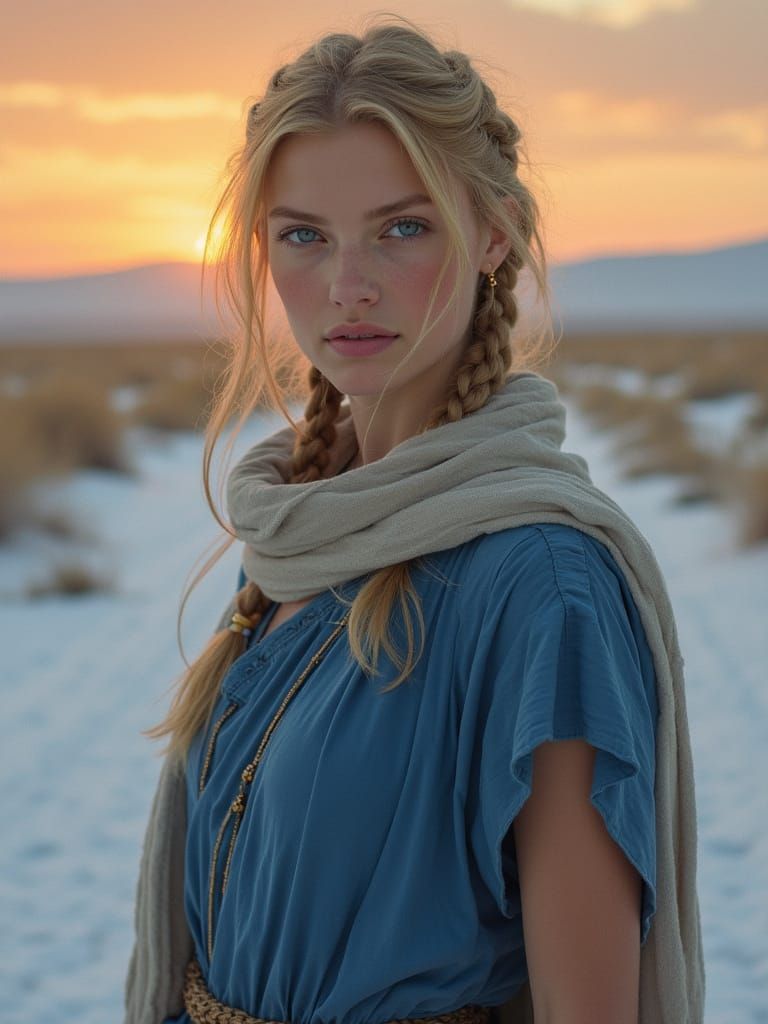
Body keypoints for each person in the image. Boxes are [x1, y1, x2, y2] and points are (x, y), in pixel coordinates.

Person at [124, 15, 705, 1024]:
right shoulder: (304, 530)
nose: (346, 285)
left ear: (493, 234)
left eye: (403, 227)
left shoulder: (540, 586)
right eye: (304, 234)